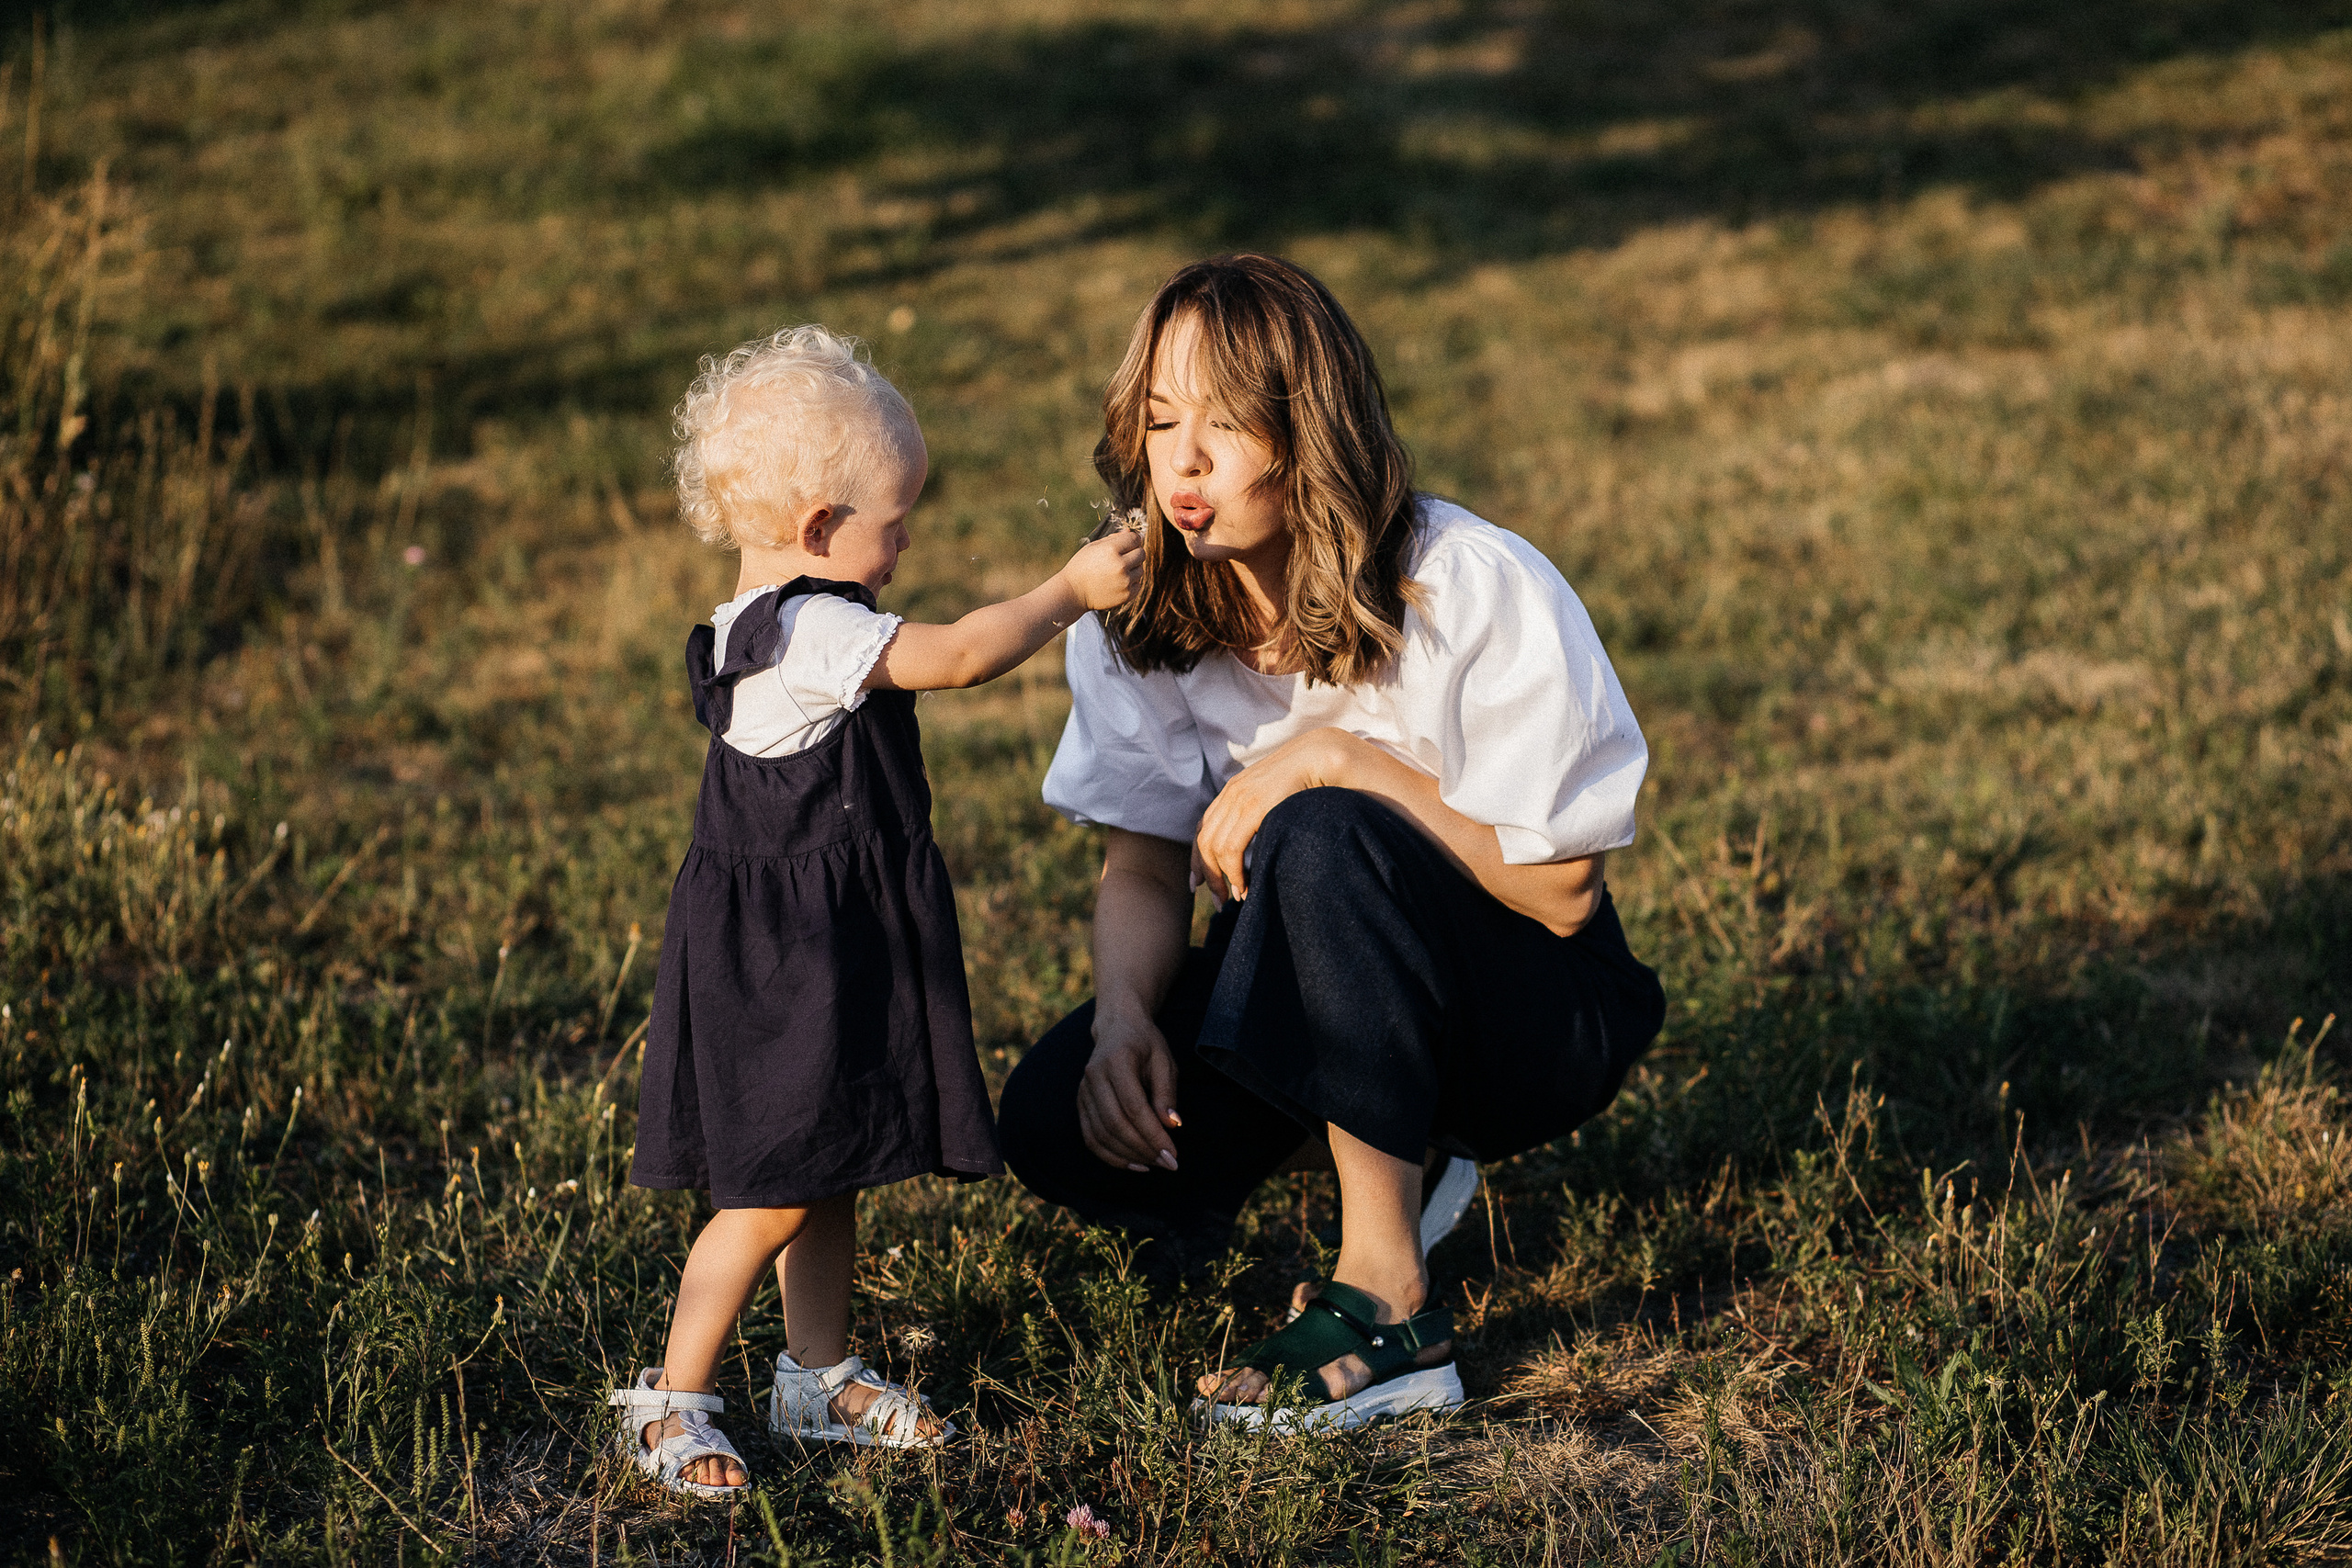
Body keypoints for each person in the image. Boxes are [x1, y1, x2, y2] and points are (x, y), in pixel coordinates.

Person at [998, 254, 1668, 1428]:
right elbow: (1143, 862)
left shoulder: (1466, 583)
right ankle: (1396, 1151)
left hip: (1533, 1012)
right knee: (1056, 1118)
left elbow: (1562, 894)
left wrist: (1343, 760)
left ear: (1309, 434)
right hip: (1320, 989)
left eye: (1226, 424)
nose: (1183, 461)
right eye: (1160, 422)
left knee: (1318, 830)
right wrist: (1120, 1021)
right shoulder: (1137, 614)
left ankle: (1387, 1301)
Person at [608, 325, 1143, 1495]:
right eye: (893, 522)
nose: (904, 544)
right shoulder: (813, 630)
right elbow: (955, 656)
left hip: (819, 943)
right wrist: (1068, 591)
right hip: (789, 959)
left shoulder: (763, 615)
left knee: (830, 1161)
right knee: (770, 1190)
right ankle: (667, 1401)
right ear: (817, 529)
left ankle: (817, 1372)